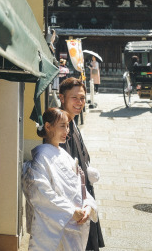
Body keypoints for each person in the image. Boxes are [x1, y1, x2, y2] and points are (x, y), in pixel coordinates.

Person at [23, 107, 97, 251]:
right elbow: (41, 194)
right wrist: (71, 210)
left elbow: (79, 186)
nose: (66, 131)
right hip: (53, 228)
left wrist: (88, 205)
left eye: (68, 126)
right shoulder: (41, 157)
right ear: (48, 126)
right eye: (62, 126)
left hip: (75, 222)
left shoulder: (63, 154)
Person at [58, 78, 104, 250]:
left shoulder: (72, 121)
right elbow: (61, 171)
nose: (80, 102)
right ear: (62, 98)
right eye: (74, 98)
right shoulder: (61, 126)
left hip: (84, 195)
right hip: (73, 202)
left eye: (82, 98)